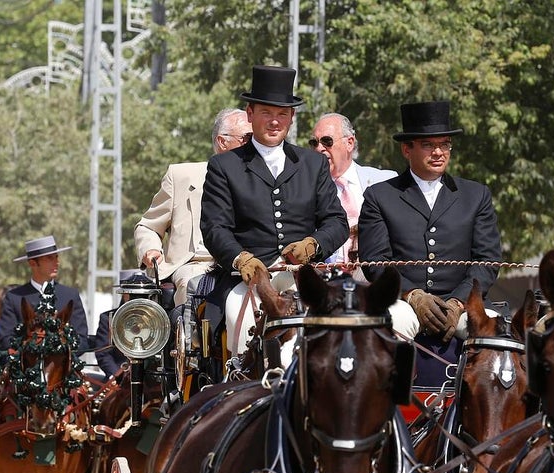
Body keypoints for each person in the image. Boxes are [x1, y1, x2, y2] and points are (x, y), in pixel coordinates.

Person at [199, 64, 348, 357]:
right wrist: (240, 258)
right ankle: (243, 384)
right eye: (267, 113)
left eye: (282, 114)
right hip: (249, 279)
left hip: (303, 275)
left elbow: (336, 221)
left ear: (291, 118)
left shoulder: (312, 164)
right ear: (251, 114)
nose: (274, 121)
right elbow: (214, 227)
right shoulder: (224, 167)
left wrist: (314, 244)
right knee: (236, 318)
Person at [356, 100, 502, 342]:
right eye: (428, 145)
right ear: (406, 149)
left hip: (463, 303)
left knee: (496, 335)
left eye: (445, 145)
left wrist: (458, 302)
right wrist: (413, 295)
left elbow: (487, 260)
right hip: (404, 302)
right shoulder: (379, 196)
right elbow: (375, 263)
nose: (438, 152)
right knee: (393, 323)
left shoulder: (476, 195)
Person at [135, 108, 253, 305]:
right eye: (247, 137)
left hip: (249, 262)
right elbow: (148, 226)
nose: (254, 145)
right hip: (197, 265)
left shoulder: (264, 179)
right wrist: (151, 249)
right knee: (195, 285)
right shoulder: (181, 176)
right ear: (222, 141)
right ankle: (194, 337)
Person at [308, 112, 398, 269]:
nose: (319, 148)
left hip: (375, 280)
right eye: (314, 143)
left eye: (327, 141)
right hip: (325, 283)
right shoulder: (305, 189)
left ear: (349, 143)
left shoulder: (386, 181)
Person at [0, 235, 88, 351]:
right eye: (49, 258)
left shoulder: (70, 296)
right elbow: (6, 338)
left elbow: (82, 339)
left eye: (56, 257)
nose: (57, 262)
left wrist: (60, 352)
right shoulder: (14, 298)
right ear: (32, 263)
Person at [93, 273, 150, 377]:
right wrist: (116, 376)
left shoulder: (157, 322)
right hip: (119, 379)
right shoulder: (108, 318)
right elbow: (103, 353)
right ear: (124, 295)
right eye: (131, 294)